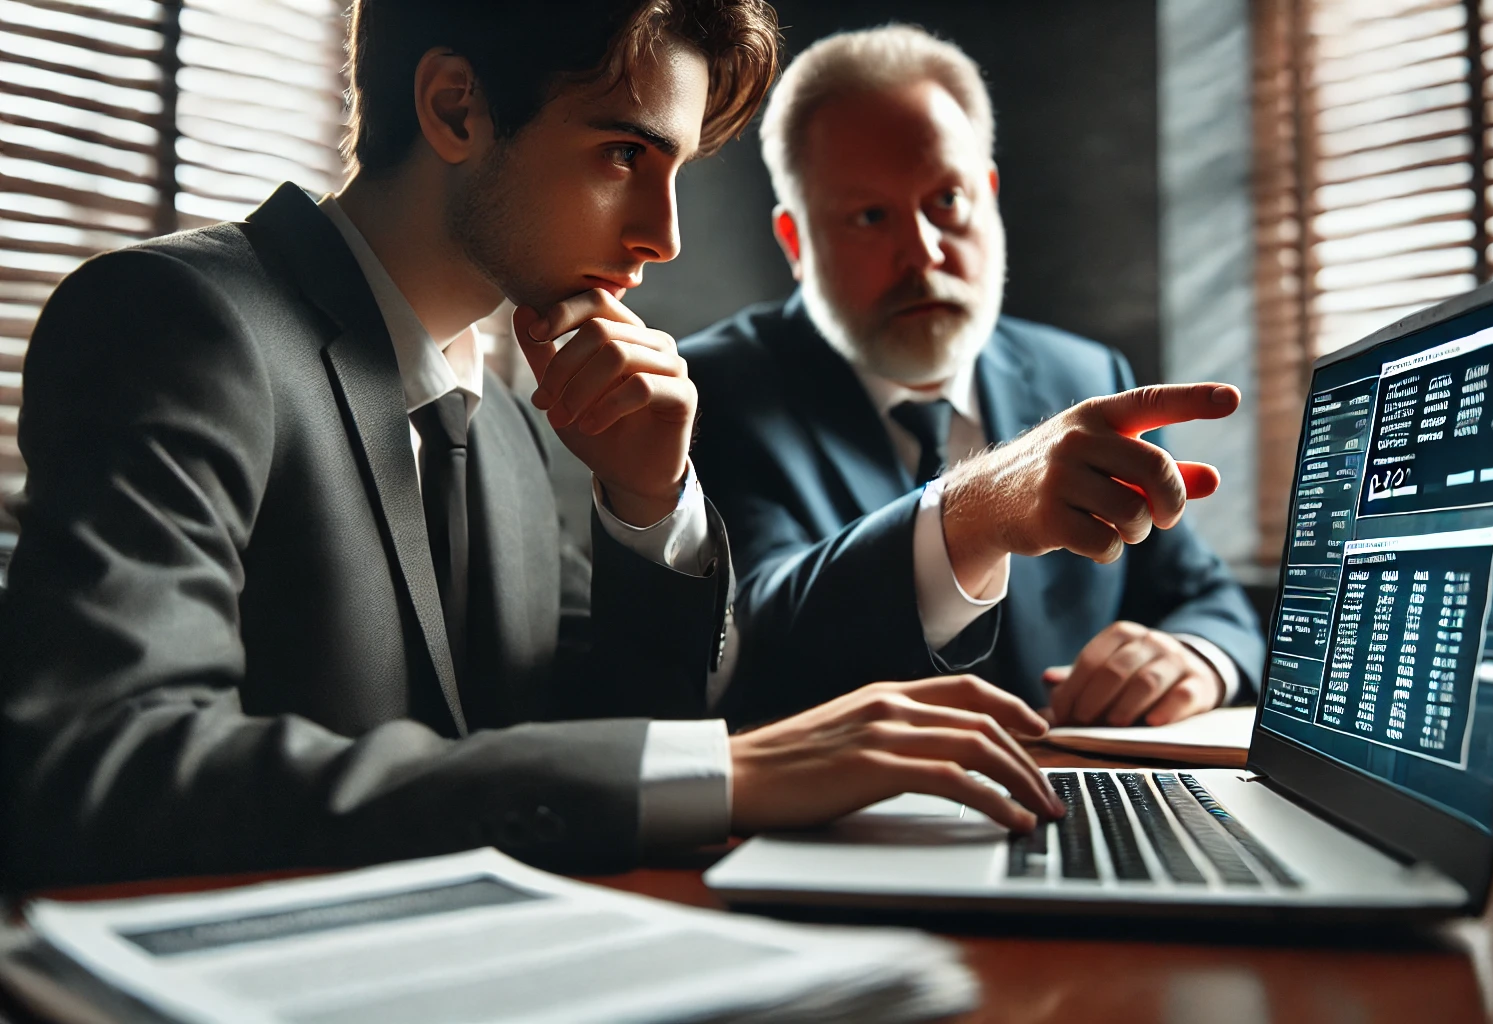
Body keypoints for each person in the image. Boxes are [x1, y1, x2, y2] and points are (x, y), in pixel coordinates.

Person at [0, 0, 1065, 889]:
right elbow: (101, 763)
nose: (665, 233)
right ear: (455, 106)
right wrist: (725, 774)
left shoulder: (508, 421)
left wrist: (652, 505)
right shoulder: (177, 321)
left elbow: (584, 740)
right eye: (622, 152)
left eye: (675, 166)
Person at [682, 25, 1264, 729]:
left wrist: (1192, 658)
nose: (923, 253)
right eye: (871, 216)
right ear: (796, 242)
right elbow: (748, 639)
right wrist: (976, 513)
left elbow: (1205, 599)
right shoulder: (713, 390)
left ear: (988, 196)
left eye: (948, 202)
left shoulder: (1083, 375)